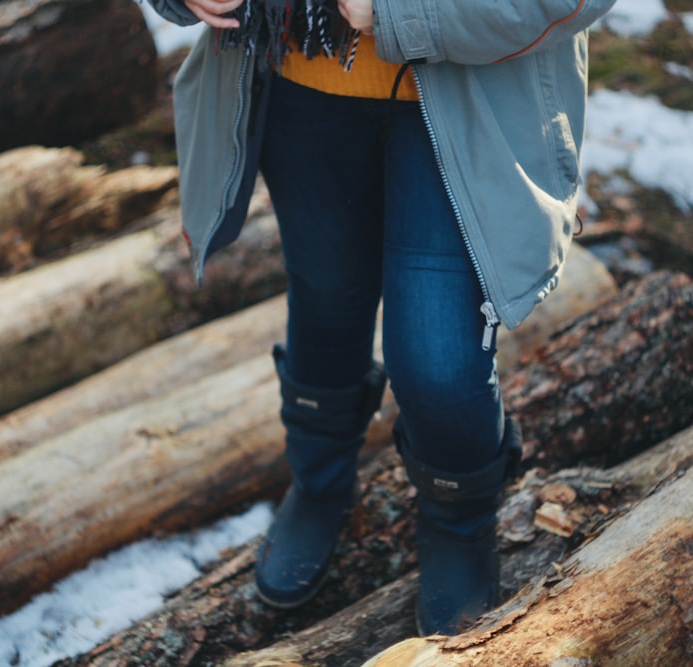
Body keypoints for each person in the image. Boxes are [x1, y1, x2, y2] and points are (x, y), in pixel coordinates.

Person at [147, 0, 615, 636]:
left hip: (465, 94)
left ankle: (458, 521)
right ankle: (319, 481)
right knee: (325, 299)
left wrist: (403, 12)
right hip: (299, 81)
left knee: (438, 361)